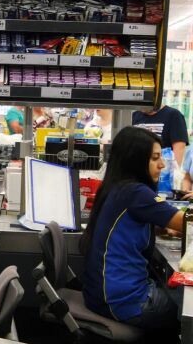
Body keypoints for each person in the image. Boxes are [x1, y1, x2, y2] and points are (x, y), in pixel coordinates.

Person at [80, 126, 182, 336]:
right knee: (186, 306)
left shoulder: (117, 188)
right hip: (124, 303)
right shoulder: (136, 193)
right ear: (136, 160)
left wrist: (162, 224)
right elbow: (186, 222)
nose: (162, 164)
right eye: (155, 158)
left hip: (99, 296)